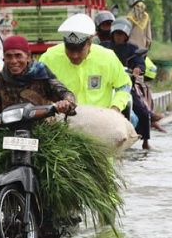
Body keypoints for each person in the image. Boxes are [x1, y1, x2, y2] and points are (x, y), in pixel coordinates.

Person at [39, 13, 132, 116]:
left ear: (90, 41)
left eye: (79, 50)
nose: (74, 55)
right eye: (70, 50)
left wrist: (115, 109)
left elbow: (124, 85)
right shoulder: (49, 58)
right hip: (61, 122)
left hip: (99, 121)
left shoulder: (107, 58)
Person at [0, 35, 75, 126]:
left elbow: (65, 93)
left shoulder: (41, 73)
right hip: (9, 130)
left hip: (43, 129)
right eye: (9, 56)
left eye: (18, 55)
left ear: (28, 56)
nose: (13, 61)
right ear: (4, 58)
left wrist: (65, 102)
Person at [100, 18, 158, 149]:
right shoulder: (103, 47)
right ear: (113, 34)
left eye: (122, 34)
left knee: (143, 112)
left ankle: (145, 141)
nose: (119, 37)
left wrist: (137, 68)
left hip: (124, 84)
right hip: (106, 84)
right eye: (117, 33)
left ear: (126, 35)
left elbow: (140, 62)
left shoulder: (132, 48)